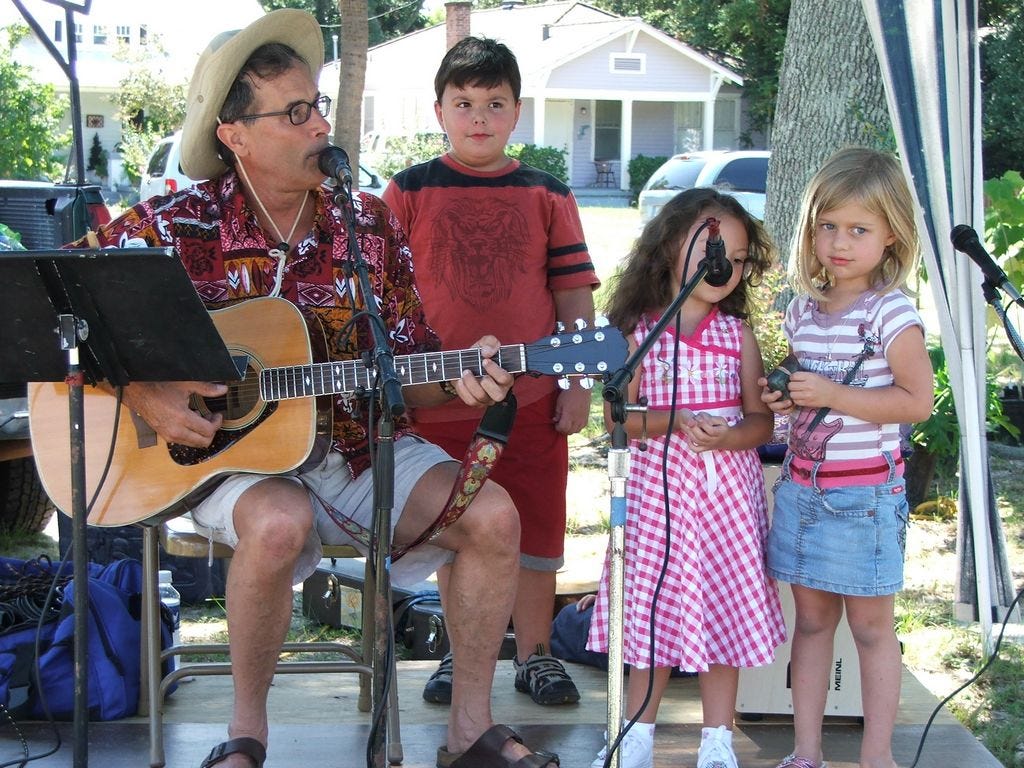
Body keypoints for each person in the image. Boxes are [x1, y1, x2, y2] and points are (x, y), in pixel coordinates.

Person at [71, 11, 559, 768]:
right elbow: (55, 304)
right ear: (236, 135)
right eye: (296, 112)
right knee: (276, 521)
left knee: (494, 515)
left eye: (319, 104)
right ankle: (246, 735)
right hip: (226, 457)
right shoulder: (178, 222)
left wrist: (462, 380)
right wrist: (143, 392)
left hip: (360, 449)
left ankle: (470, 731)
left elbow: (409, 369)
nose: (320, 124)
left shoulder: (364, 225)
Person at [382, 36, 599, 707]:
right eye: (464, 103)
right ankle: (459, 653)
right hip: (434, 403)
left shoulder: (547, 194)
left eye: (494, 103)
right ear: (441, 110)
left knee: (534, 532)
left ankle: (535, 656)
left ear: (516, 111)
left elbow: (573, 296)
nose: (479, 117)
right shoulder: (409, 190)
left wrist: (577, 385)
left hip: (531, 401)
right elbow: (384, 293)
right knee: (460, 529)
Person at [586, 188, 787, 768]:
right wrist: (675, 420)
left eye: (740, 256)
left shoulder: (737, 336)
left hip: (725, 503)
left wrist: (728, 436)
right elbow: (618, 416)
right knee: (651, 614)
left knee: (721, 615)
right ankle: (636, 734)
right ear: (670, 246)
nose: (725, 262)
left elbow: (759, 421)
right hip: (655, 499)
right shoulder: (639, 332)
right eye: (711, 244)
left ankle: (717, 740)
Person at [759, 147, 934, 768]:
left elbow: (918, 401)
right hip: (804, 490)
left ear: (891, 236)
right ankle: (806, 752)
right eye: (827, 226)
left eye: (858, 230)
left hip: (863, 498)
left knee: (870, 629)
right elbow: (805, 405)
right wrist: (782, 399)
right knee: (809, 626)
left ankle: (876, 756)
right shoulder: (803, 310)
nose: (839, 242)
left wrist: (831, 394)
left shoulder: (891, 312)